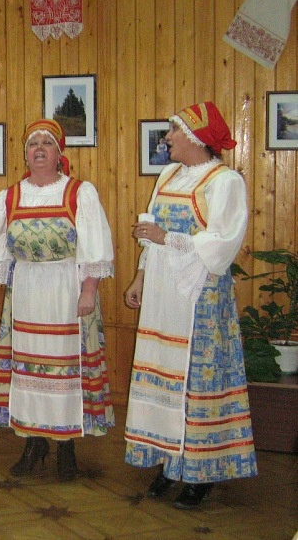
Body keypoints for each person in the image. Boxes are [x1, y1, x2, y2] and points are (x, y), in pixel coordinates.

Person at [123, 101, 257, 509]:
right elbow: (151, 233)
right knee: (165, 370)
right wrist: (140, 276)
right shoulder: (168, 175)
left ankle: (203, 470)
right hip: (163, 291)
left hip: (200, 295)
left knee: (198, 380)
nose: (167, 138)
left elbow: (223, 243)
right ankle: (170, 461)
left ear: (197, 138)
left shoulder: (225, 181)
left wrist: (167, 238)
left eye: (174, 131)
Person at [0, 118, 115, 482]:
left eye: (46, 143)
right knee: (28, 368)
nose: (38, 149)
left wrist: (89, 290)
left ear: (58, 153)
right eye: (32, 143)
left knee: (66, 370)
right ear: (25, 154)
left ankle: (66, 446)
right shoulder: (10, 197)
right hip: (26, 291)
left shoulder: (80, 193)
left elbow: (95, 247)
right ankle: (34, 443)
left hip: (66, 289)